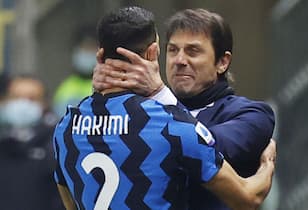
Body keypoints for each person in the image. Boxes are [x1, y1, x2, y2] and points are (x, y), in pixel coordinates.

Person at [53, 6, 276, 210]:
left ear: (222, 62)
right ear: (155, 53)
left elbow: (210, 146)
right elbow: (189, 143)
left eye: (193, 51)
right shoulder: (157, 122)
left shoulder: (253, 115)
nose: (179, 60)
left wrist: (157, 93)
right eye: (172, 50)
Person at [0, 74, 64, 210]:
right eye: (16, 97)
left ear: (44, 104)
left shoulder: (58, 145)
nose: (23, 104)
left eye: (32, 99)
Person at [53, 26, 97, 117]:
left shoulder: (111, 85)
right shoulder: (65, 87)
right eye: (84, 48)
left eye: (92, 48)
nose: (87, 53)